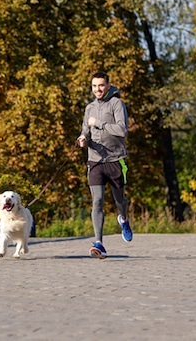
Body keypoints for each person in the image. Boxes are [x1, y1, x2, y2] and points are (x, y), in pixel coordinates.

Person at [77, 72, 132, 259]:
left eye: (101, 85)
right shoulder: (89, 108)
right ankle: (98, 243)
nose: (97, 89)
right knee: (97, 201)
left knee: (120, 200)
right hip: (95, 161)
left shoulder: (117, 104)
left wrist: (98, 123)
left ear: (108, 86)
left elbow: (121, 130)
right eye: (94, 86)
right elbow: (86, 129)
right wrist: (83, 138)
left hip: (116, 160)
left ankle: (123, 219)